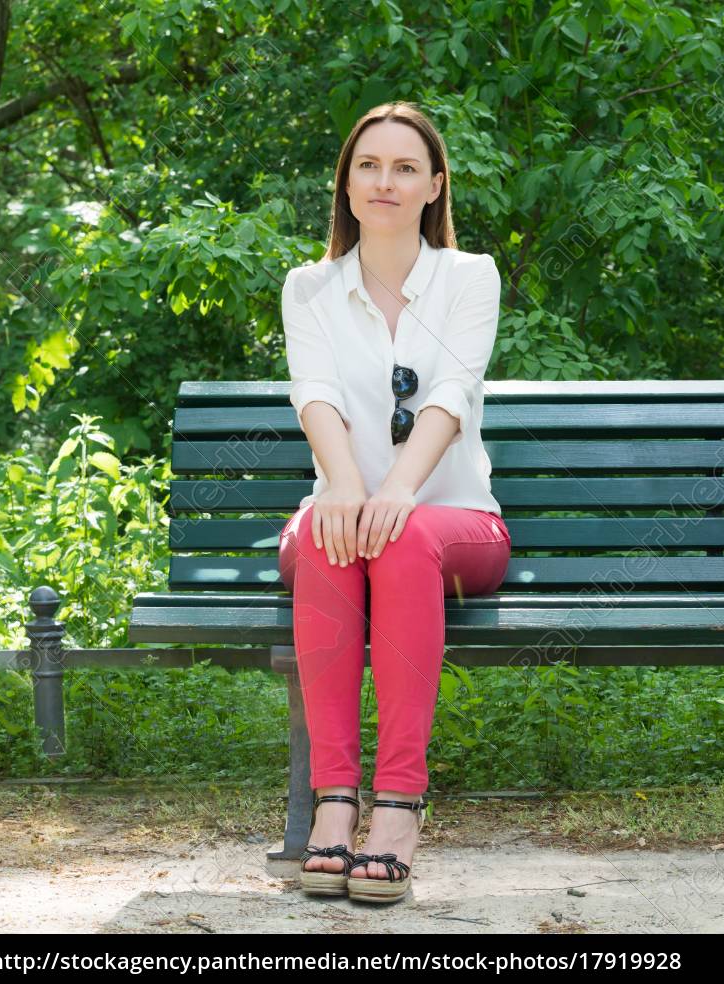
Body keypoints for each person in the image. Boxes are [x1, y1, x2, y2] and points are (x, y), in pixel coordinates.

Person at [277, 101, 511, 903]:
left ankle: (400, 805)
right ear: (345, 185)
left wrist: (399, 491)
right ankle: (335, 801)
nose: (385, 180)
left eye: (405, 167)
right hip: (344, 526)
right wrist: (344, 487)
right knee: (326, 533)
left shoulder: (469, 277)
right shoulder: (308, 287)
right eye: (368, 165)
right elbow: (314, 395)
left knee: (398, 536)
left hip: (456, 527)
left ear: (434, 186)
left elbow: (451, 391)